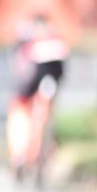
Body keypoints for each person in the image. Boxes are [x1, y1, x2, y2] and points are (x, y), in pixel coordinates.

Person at [7, 13, 69, 177]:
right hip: (36, 86)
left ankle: (23, 155)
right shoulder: (55, 42)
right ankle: (28, 153)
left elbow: (17, 66)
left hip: (30, 87)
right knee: (32, 115)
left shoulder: (28, 42)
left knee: (26, 115)